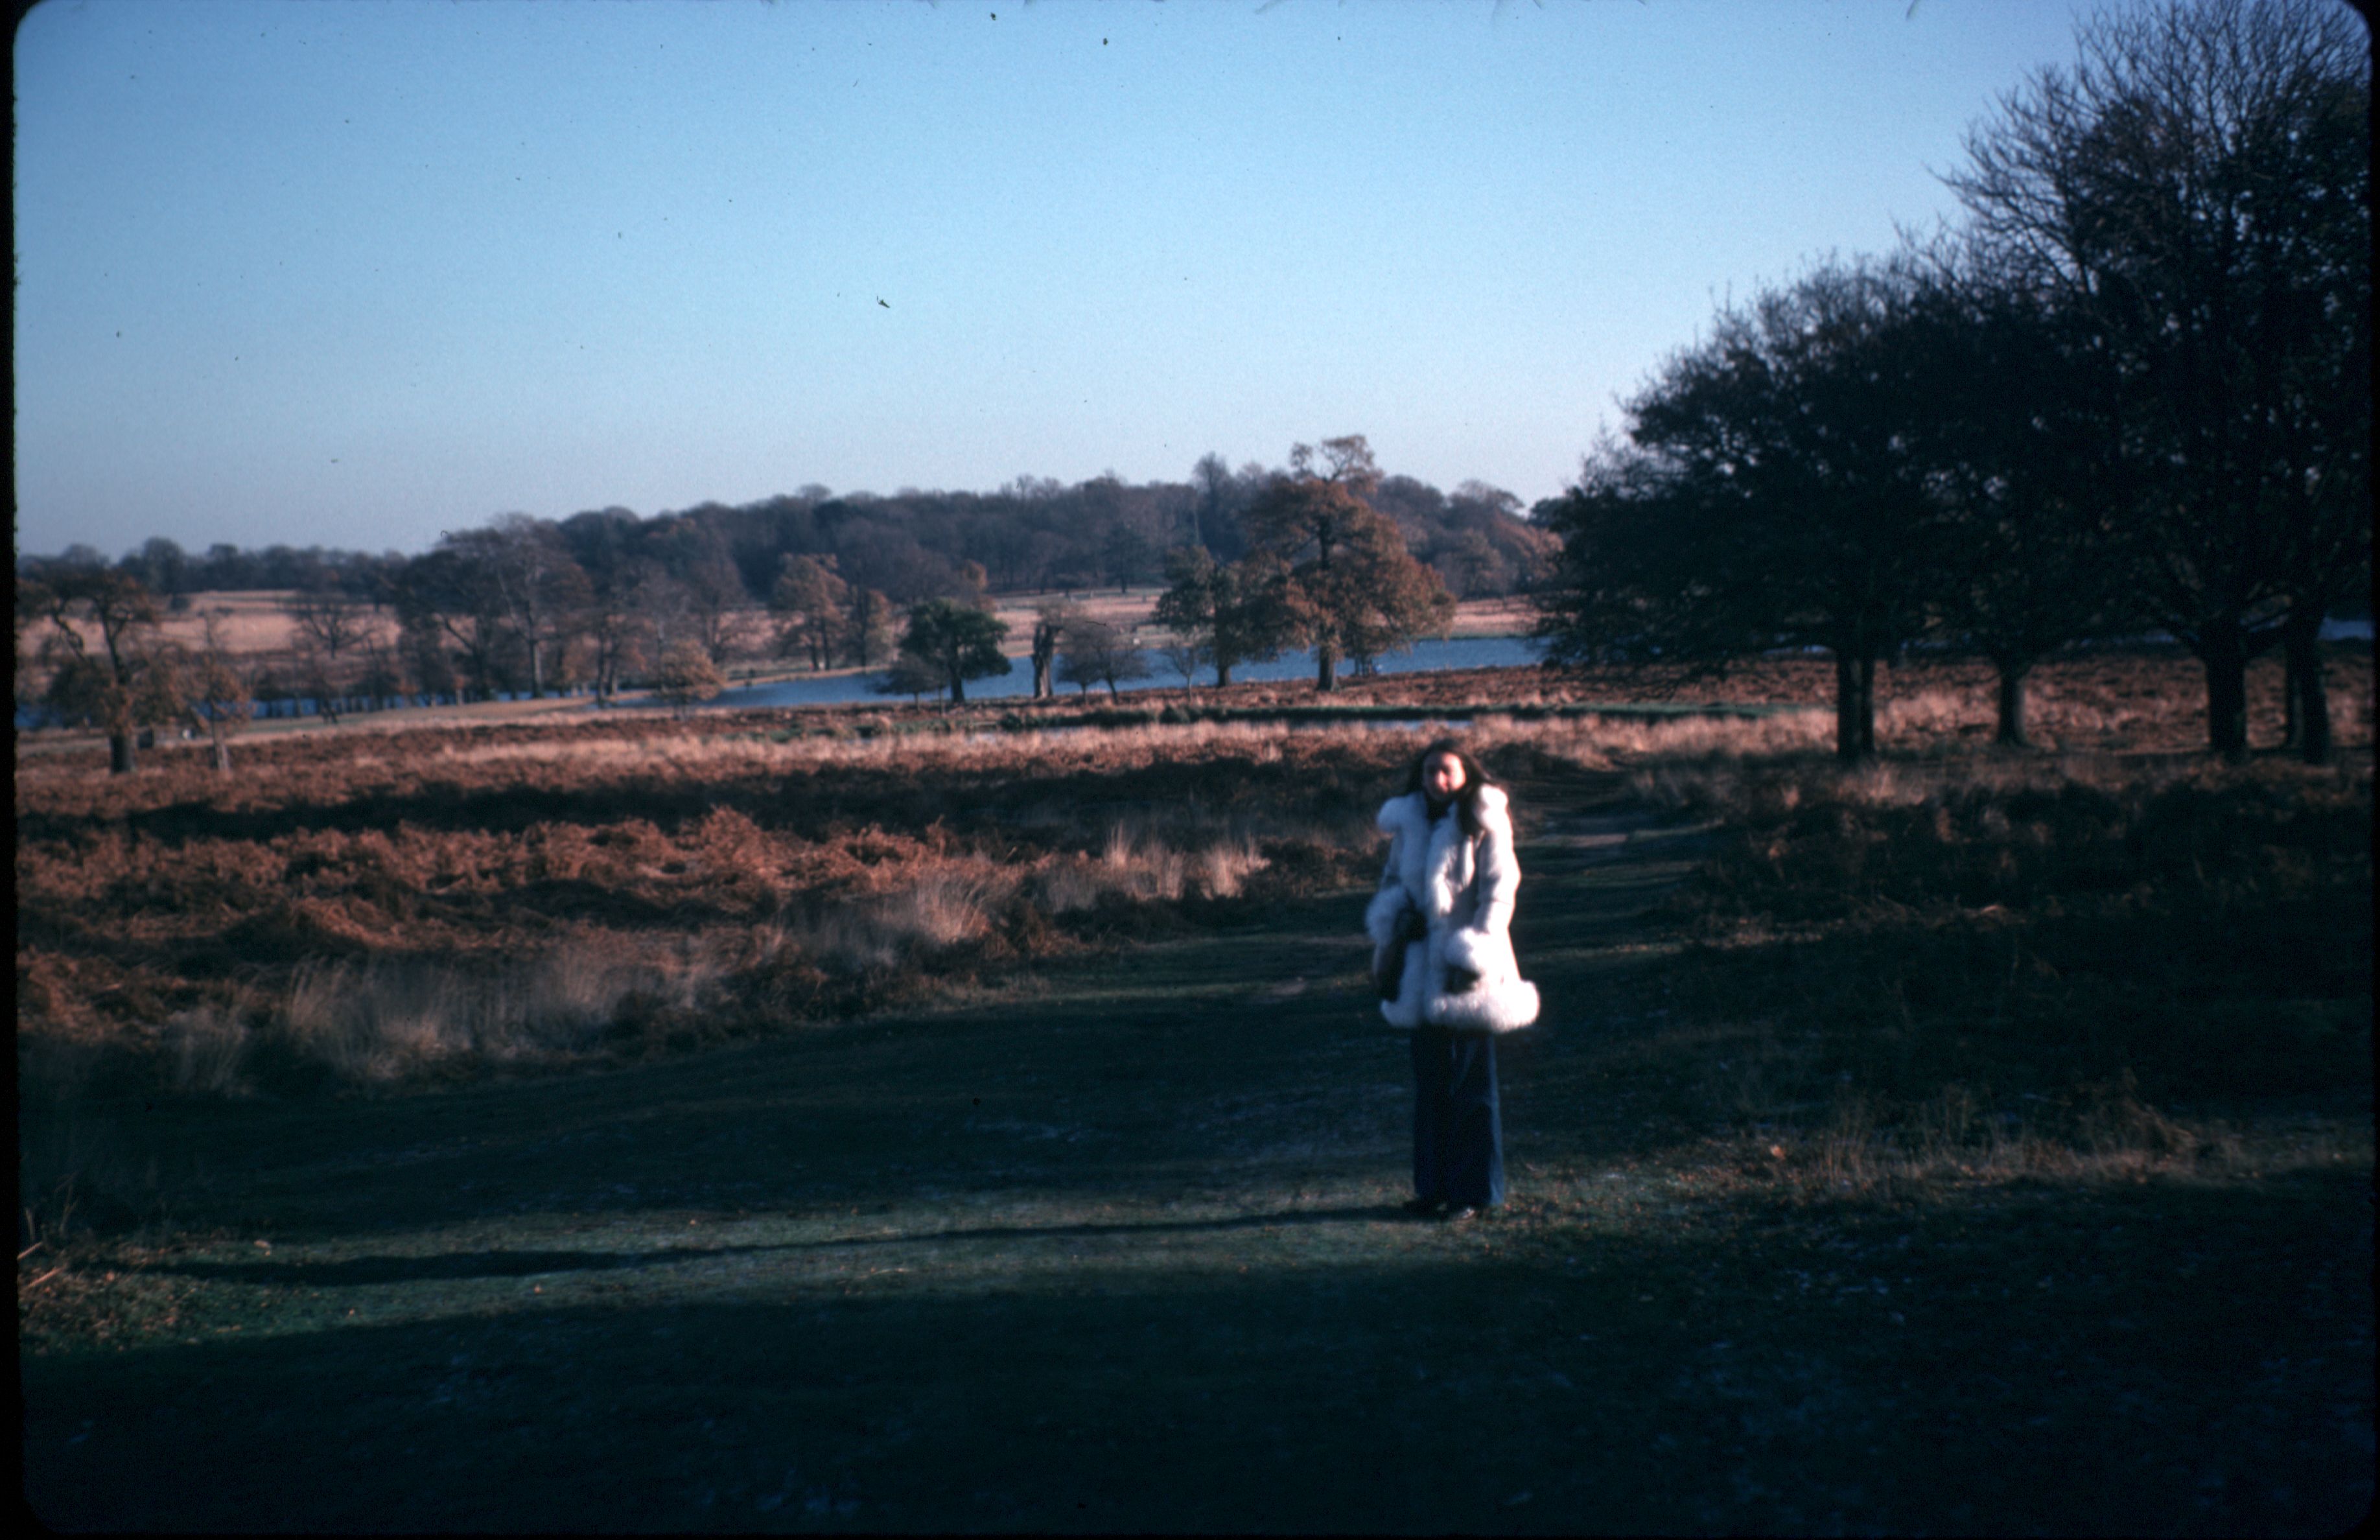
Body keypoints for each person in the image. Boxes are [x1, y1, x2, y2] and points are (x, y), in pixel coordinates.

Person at [1366, 739, 1539, 1220]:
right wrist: (1396, 925)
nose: (1437, 780)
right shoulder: (1409, 823)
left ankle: (1476, 1192)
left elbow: (1500, 892)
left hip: (1468, 974)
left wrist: (1475, 953)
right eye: (1429, 771)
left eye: (1447, 770)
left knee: (1472, 1088)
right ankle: (1432, 1189)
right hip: (1419, 972)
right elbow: (1392, 881)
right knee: (1430, 1088)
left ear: (1466, 773)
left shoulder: (1484, 818)